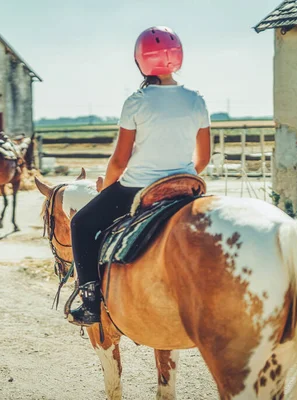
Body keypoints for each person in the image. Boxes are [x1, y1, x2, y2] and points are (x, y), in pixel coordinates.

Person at [68, 26, 212, 327]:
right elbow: (204, 158)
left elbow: (120, 160)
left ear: (140, 62)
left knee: (80, 223)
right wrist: (179, 177)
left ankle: (91, 302)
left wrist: (106, 187)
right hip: (186, 188)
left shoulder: (136, 101)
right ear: (178, 57)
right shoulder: (196, 99)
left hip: (135, 189)